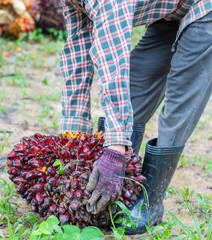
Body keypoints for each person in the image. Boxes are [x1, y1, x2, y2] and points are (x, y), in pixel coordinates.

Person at [59, 0, 212, 235]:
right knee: (135, 86)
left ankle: (152, 203)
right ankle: (126, 187)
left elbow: (113, 66)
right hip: (167, 13)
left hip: (204, 9)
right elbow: (77, 58)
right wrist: (72, 139)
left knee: (179, 99)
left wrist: (115, 150)